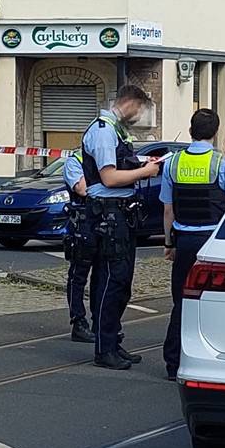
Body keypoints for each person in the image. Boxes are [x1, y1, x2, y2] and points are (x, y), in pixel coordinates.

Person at [79, 85, 166, 370]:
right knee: (111, 281)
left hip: (119, 214)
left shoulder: (114, 129)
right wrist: (146, 171)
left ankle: (113, 341)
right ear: (129, 102)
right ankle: (105, 348)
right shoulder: (104, 130)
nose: (139, 115)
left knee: (120, 282)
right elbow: (109, 178)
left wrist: (141, 161)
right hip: (108, 214)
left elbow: (118, 164)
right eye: (139, 109)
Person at [159, 109, 225, 381]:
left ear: (190, 131)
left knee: (181, 303)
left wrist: (168, 243)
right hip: (213, 244)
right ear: (216, 133)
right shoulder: (223, 165)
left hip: (184, 242)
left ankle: (173, 362)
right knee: (216, 302)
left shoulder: (173, 164)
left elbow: (168, 210)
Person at [62, 158, 95, 346]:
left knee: (102, 274)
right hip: (82, 224)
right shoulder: (75, 161)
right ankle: (78, 322)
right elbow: (81, 189)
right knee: (78, 276)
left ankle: (99, 320)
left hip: (103, 220)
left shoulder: (107, 159)